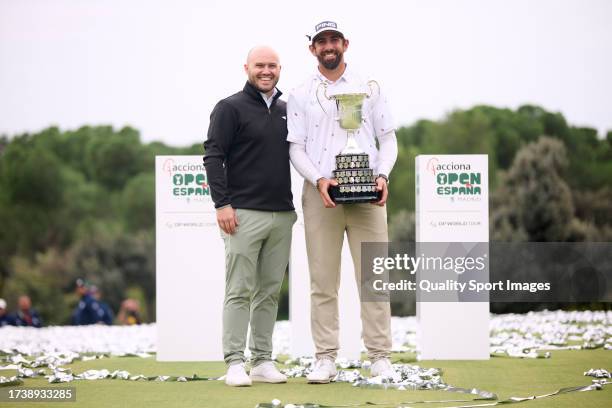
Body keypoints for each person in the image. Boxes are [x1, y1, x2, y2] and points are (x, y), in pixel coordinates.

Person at [287, 21, 398, 383]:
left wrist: (382, 176)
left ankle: (380, 356)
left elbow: (388, 138)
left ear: (345, 44)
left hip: (368, 193)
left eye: (334, 39)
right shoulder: (301, 93)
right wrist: (318, 179)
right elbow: (296, 147)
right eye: (321, 42)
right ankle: (325, 358)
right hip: (321, 195)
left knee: (374, 277)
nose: (328, 46)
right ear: (312, 49)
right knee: (322, 281)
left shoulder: (369, 87)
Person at [203, 46, 296, 387]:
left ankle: (262, 360)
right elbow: (213, 156)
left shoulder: (288, 110)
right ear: (247, 68)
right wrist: (222, 204)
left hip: (282, 214)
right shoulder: (230, 108)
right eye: (260, 65)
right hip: (242, 213)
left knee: (269, 292)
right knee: (240, 289)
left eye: (272, 65)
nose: (266, 71)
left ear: (280, 69)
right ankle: (234, 363)